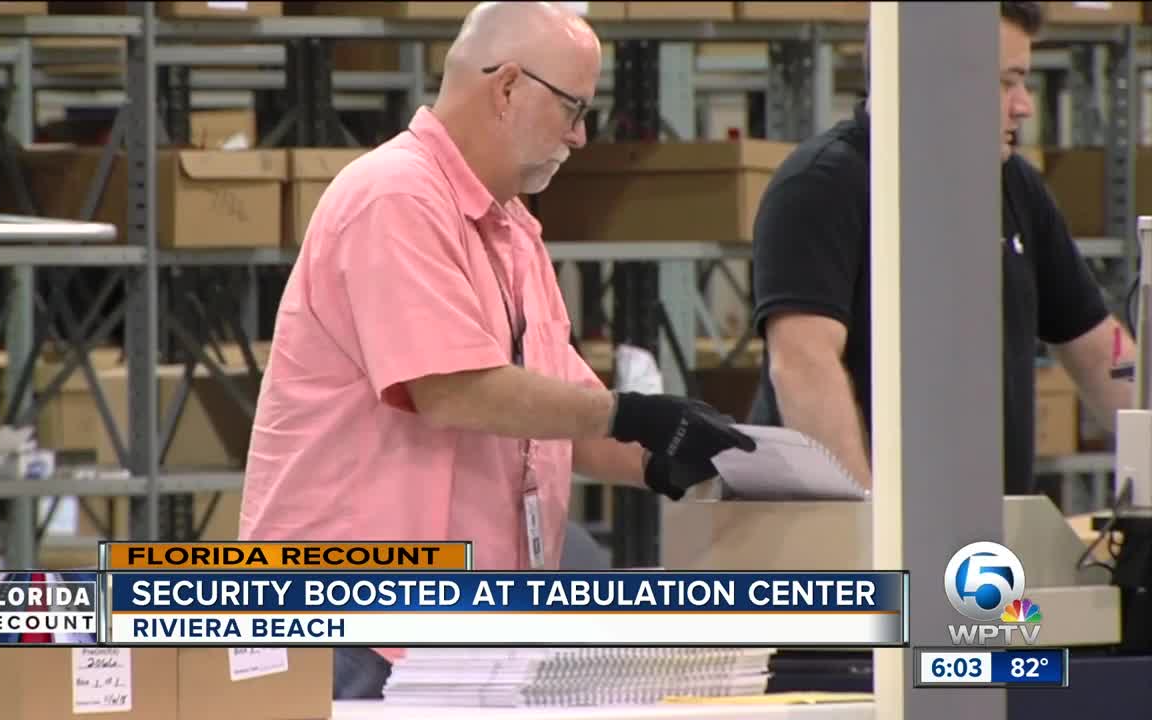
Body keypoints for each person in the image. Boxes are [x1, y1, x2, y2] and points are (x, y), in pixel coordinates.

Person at [239, 0, 757, 699]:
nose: (579, 137)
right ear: (508, 87)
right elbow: (454, 389)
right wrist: (630, 414)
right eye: (573, 109)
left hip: (457, 636)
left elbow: (560, 417)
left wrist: (673, 456)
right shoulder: (392, 199)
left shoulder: (511, 232)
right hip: (350, 627)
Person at [746, 0, 1135, 495]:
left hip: (976, 540)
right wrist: (873, 534)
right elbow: (803, 366)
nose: (1024, 105)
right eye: (1005, 82)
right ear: (930, 78)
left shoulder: (1014, 187)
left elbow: (1102, 350)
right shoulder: (823, 185)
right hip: (845, 542)